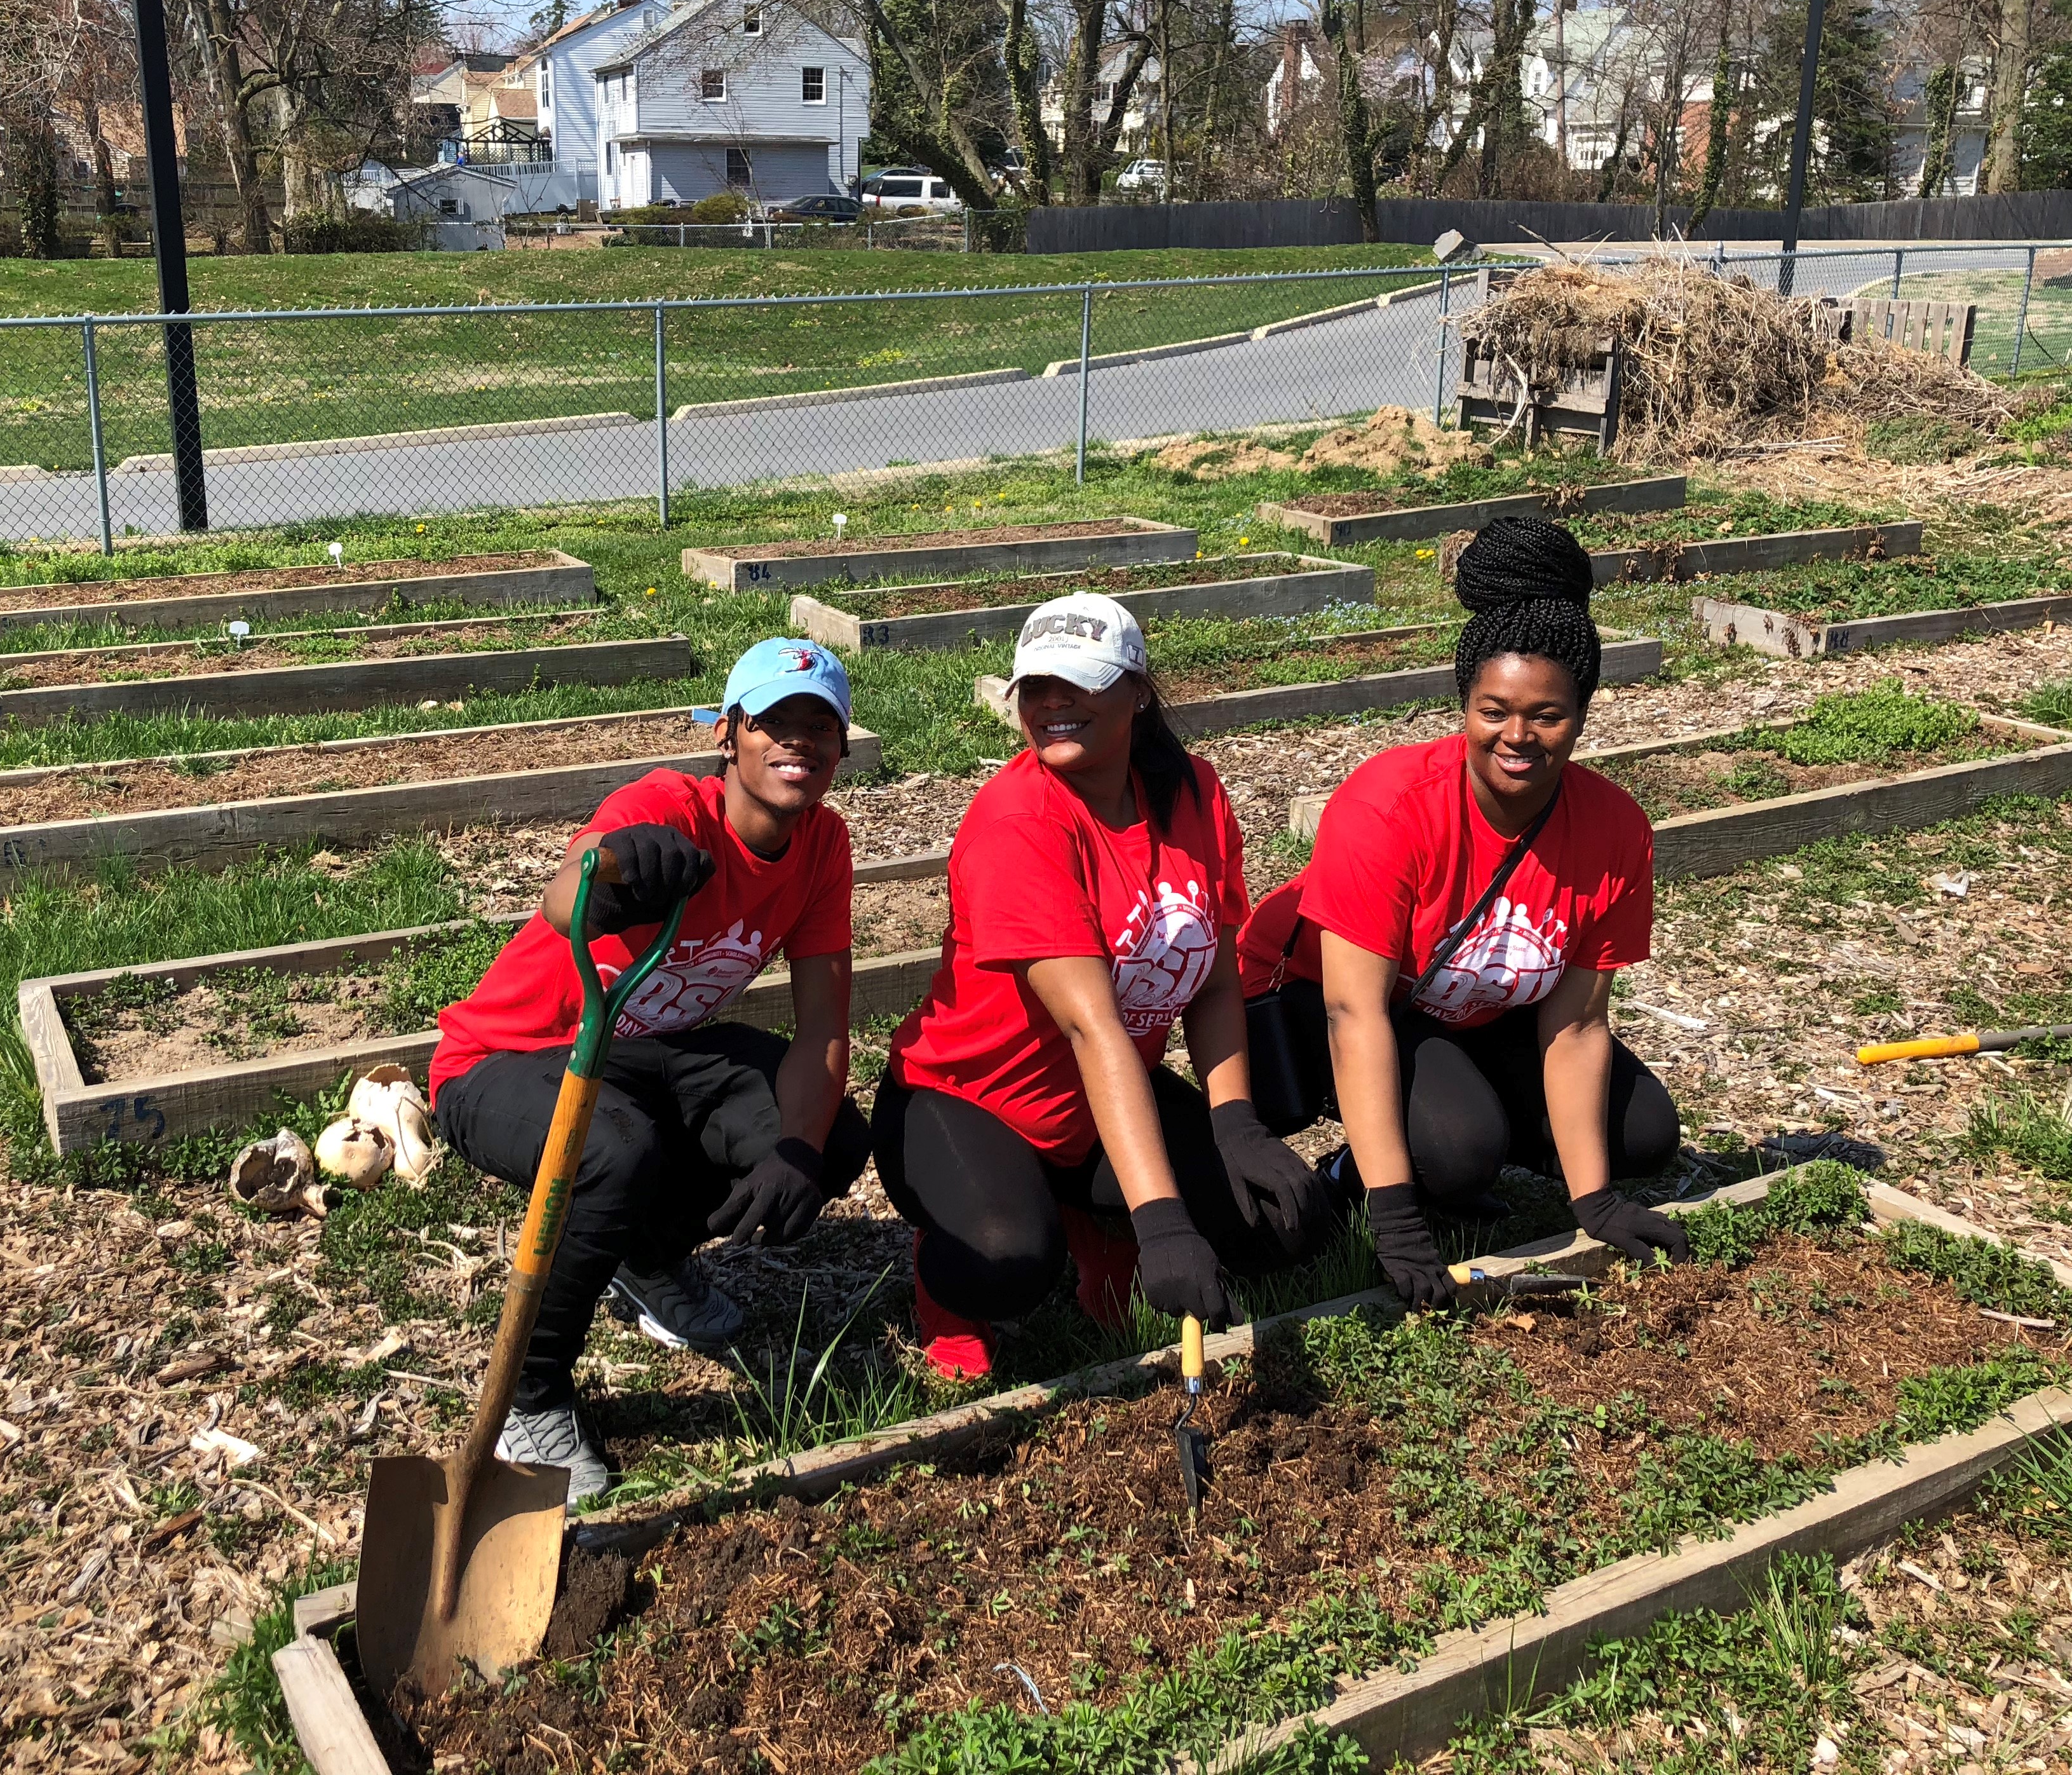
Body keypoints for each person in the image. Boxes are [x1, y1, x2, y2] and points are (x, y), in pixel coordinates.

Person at [430, 638, 869, 1502]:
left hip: (648, 1052)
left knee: (828, 1132)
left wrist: (800, 1154)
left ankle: (652, 1259)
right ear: (729, 734)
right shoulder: (668, 804)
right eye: (776, 722)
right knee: (614, 1153)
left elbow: (823, 1025)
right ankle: (535, 1394)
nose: (800, 743)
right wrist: (621, 872)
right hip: (503, 1060)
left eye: (821, 727)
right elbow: (569, 895)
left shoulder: (822, 844)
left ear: (842, 750)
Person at [873, 593, 1339, 1380]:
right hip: (966, 1103)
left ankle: (1095, 1223)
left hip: (1098, 1103)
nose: (1054, 703)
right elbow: (1093, 1027)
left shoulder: (1192, 792)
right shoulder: (1017, 822)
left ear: (1137, 693)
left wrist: (1236, 1127)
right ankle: (946, 1283)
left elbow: (1216, 983)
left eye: (1080, 684)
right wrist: (1161, 1222)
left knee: (1278, 1229)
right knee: (1011, 1260)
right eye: (1036, 686)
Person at [1237, 515, 1688, 1310]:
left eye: (1547, 714)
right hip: (1336, 1001)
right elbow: (1353, 1012)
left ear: (1582, 713)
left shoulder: (1615, 830)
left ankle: (1458, 1128)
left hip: (1476, 1012)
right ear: (1465, 704)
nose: (1518, 736)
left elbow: (1578, 1026)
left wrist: (1594, 1203)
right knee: (1458, 1149)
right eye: (1494, 710)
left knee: (1643, 1133)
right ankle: (1363, 1169)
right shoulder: (1390, 807)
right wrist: (1398, 1219)